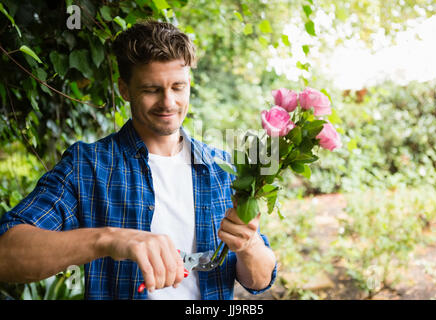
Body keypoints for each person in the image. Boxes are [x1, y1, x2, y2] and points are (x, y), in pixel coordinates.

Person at [0, 20, 277, 300]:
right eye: (151, 90)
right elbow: (6, 255)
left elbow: (260, 281)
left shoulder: (222, 168)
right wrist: (109, 239)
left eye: (178, 87)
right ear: (124, 89)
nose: (168, 102)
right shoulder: (87, 165)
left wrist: (249, 245)